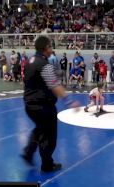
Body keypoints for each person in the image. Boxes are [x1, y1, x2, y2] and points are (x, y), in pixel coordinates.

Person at [21, 36, 80, 173]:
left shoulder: (29, 62)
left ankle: (28, 152)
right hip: (43, 106)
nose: (52, 49)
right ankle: (47, 165)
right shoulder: (44, 64)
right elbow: (54, 85)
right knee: (49, 135)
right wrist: (69, 101)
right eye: (51, 47)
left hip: (29, 104)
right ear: (46, 47)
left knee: (40, 128)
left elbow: (26, 81)